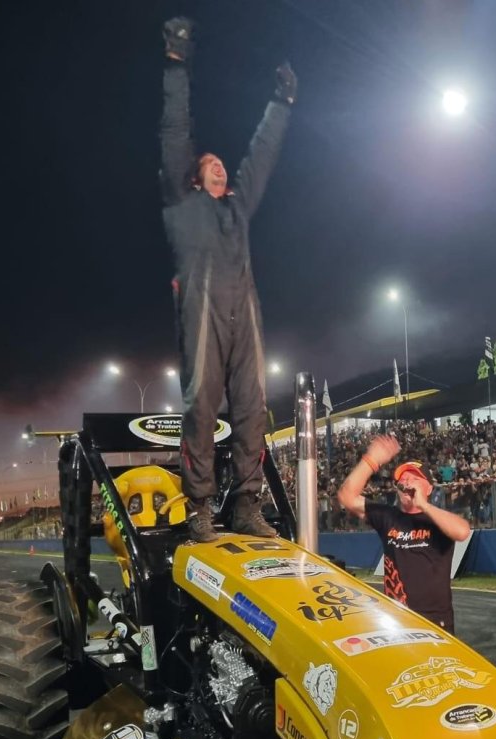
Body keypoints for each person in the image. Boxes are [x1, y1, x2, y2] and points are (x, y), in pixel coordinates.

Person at [160, 17, 297, 541]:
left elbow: (260, 157)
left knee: (252, 410)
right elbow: (175, 131)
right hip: (202, 314)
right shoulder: (180, 203)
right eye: (211, 164)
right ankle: (198, 508)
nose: (220, 168)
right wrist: (176, 61)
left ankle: (245, 505)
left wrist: (280, 105)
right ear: (194, 177)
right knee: (200, 406)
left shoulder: (238, 209)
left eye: (222, 164)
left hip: (246, 313)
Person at [337, 434, 471, 634]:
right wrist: (371, 460)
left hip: (434, 621)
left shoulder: (437, 519)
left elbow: (462, 531)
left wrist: (424, 506)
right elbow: (346, 497)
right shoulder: (389, 517)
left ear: (429, 488)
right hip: (395, 618)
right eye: (402, 478)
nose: (407, 481)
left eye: (414, 478)